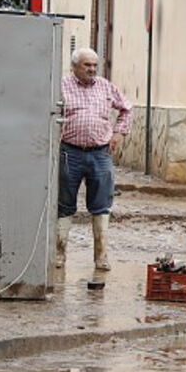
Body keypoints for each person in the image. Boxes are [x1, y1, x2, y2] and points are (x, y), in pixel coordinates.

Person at [56, 48, 132, 270]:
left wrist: (119, 133)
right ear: (74, 67)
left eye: (94, 65)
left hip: (100, 153)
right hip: (69, 151)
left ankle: (101, 256)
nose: (91, 69)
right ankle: (59, 254)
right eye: (86, 65)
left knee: (101, 205)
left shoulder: (106, 86)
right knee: (64, 203)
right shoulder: (61, 85)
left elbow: (127, 109)